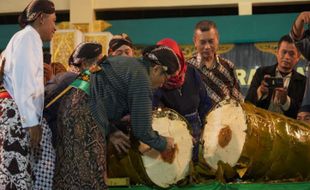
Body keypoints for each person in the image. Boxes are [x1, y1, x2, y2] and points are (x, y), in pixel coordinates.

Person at [54, 44, 179, 189]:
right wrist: (164, 144)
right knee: (88, 177)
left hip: (69, 108)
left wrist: (111, 129)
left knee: (69, 173)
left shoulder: (130, 64)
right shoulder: (141, 78)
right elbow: (142, 130)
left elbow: (101, 92)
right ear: (157, 69)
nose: (163, 84)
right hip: (84, 116)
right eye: (166, 78)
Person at [0, 0, 56, 189]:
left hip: (17, 113)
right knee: (15, 177)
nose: (55, 28)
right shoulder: (28, 37)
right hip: (18, 115)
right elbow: (24, 81)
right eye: (53, 21)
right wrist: (32, 122)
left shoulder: (26, 38)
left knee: (19, 174)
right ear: (41, 18)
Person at [53, 42, 113, 189]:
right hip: (86, 166)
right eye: (100, 61)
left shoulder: (66, 80)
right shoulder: (83, 82)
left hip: (66, 166)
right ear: (86, 63)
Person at [153, 38, 212, 162]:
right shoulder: (158, 79)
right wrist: (180, 134)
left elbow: (205, 103)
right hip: (171, 134)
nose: (171, 63)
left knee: (196, 167)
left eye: (174, 58)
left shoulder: (191, 72)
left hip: (196, 128)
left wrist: (206, 129)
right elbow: (155, 114)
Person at [245, 35, 306, 119]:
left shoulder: (303, 82)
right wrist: (260, 92)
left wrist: (285, 101)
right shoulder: (261, 73)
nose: (287, 57)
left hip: (288, 130)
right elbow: (247, 103)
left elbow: (302, 114)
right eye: (284, 52)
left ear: (298, 57)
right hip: (262, 126)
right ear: (277, 52)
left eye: (291, 54)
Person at [187, 20, 243, 106]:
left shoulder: (228, 67)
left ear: (217, 39)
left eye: (211, 41)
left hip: (226, 118)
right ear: (195, 41)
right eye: (202, 42)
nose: (207, 47)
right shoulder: (187, 68)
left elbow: (238, 101)